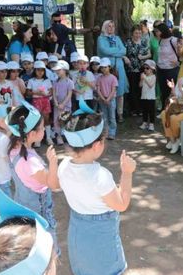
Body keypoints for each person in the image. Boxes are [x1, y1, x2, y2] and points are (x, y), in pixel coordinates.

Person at [48, 111, 137, 275]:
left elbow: (54, 185)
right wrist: (127, 172)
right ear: (97, 145)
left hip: (78, 233)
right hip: (101, 237)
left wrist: (53, 164)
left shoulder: (64, 166)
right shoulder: (100, 176)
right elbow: (122, 204)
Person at [6, 103, 59, 249]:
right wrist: (53, 163)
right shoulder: (31, 162)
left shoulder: (13, 148)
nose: (44, 130)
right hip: (39, 214)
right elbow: (54, 185)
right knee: (48, 250)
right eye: (42, 128)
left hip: (23, 206)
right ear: (31, 134)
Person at [97, 20, 129, 123]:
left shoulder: (117, 38)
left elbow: (124, 50)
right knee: (106, 90)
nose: (111, 28)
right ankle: (109, 114)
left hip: (119, 68)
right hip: (106, 69)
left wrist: (115, 52)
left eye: (112, 26)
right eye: (108, 26)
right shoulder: (101, 39)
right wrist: (117, 51)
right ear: (104, 27)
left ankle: (119, 114)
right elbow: (104, 50)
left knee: (119, 92)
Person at [125, 26, 151, 115]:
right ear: (132, 33)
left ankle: (141, 109)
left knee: (142, 88)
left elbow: (149, 54)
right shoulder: (128, 42)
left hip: (142, 69)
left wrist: (142, 57)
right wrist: (125, 58)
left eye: (139, 33)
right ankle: (133, 109)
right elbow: (123, 53)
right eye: (136, 33)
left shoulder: (144, 42)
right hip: (131, 68)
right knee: (133, 89)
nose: (138, 35)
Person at [29, 61, 54, 146]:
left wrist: (46, 94)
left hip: (45, 101)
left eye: (42, 70)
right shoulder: (31, 81)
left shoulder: (47, 80)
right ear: (34, 70)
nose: (40, 72)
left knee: (46, 119)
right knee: (37, 120)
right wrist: (36, 93)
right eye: (38, 70)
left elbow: (51, 92)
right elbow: (28, 92)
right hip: (36, 101)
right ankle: (37, 139)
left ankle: (48, 137)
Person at [155, 22, 180, 106]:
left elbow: (182, 53)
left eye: (158, 31)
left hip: (171, 70)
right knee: (163, 91)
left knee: (171, 92)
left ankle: (172, 110)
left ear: (163, 31)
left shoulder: (173, 40)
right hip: (161, 70)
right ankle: (164, 110)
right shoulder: (160, 41)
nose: (156, 33)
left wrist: (178, 62)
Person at [96, 58, 119, 140]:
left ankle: (112, 132)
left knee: (112, 117)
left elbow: (113, 90)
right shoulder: (99, 78)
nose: (103, 69)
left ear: (109, 67)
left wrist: (108, 99)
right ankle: (106, 132)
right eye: (102, 67)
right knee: (104, 117)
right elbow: (98, 90)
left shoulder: (113, 78)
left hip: (111, 100)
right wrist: (103, 99)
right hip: (102, 100)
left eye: (105, 67)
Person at [140, 59, 157, 131]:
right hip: (144, 96)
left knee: (151, 111)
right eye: (144, 68)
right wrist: (141, 79)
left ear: (152, 69)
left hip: (151, 97)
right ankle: (144, 122)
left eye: (147, 68)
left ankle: (151, 124)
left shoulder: (153, 77)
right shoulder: (144, 76)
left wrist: (145, 78)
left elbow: (150, 85)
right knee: (144, 110)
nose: (145, 70)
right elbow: (140, 85)